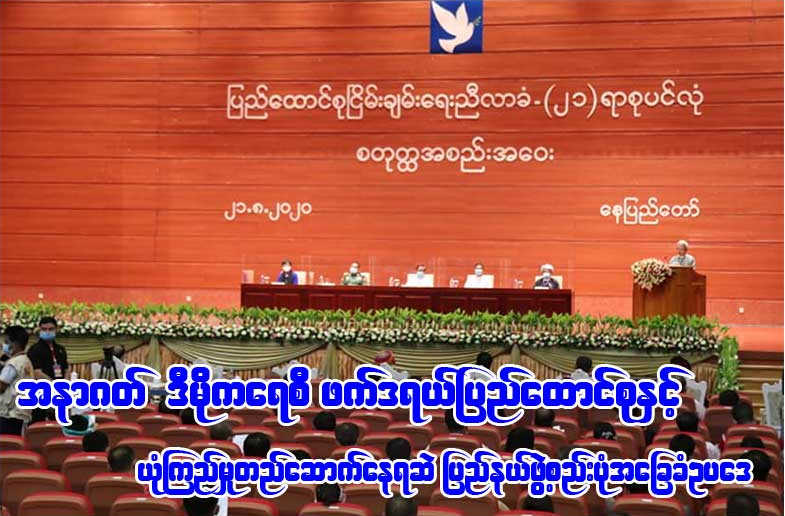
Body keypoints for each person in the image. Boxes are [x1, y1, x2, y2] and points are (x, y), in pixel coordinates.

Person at [0, 326, 34, 435]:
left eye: (6, 342)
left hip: (10, 416)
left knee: (7, 443)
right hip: (21, 413)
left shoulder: (13, 364)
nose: (3, 345)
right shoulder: (26, 360)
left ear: (14, 344)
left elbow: (1, 386)